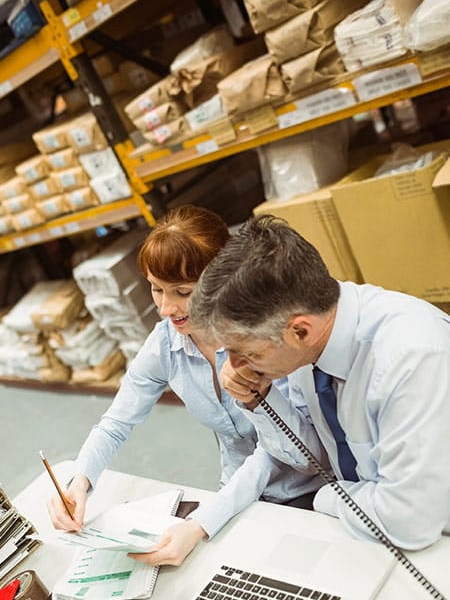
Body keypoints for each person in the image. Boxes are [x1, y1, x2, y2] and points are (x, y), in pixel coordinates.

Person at [47, 206, 325, 566]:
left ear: (222, 279)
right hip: (235, 493)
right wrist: (80, 481)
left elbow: (272, 454)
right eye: (156, 289)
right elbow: (117, 421)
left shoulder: (263, 338)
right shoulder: (166, 343)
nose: (165, 308)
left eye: (182, 291)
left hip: (304, 490)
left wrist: (200, 524)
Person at [188, 214, 450, 550]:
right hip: (365, 526)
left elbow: (407, 524)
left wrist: (326, 496)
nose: (234, 366)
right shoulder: (314, 335)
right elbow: (315, 457)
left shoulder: (411, 357)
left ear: (300, 331)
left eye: (245, 353)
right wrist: (260, 399)